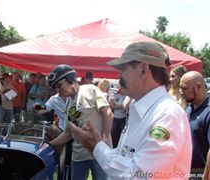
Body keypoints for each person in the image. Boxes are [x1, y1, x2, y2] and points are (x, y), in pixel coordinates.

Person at [68, 41, 192, 179]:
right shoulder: (145, 111)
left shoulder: (166, 114)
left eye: (123, 70)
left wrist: (97, 147)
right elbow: (126, 156)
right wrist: (97, 145)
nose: (119, 76)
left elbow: (141, 175)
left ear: (143, 70)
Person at [48, 64, 113, 180]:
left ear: (69, 80)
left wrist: (106, 138)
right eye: (55, 88)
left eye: (59, 85)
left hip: (98, 154)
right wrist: (49, 144)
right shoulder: (68, 103)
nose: (58, 90)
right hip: (78, 157)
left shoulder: (90, 89)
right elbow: (68, 134)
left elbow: (108, 113)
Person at [180, 71, 210, 176]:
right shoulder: (189, 109)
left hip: (201, 173)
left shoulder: (208, 111)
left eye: (184, 88)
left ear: (198, 86)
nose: (181, 92)